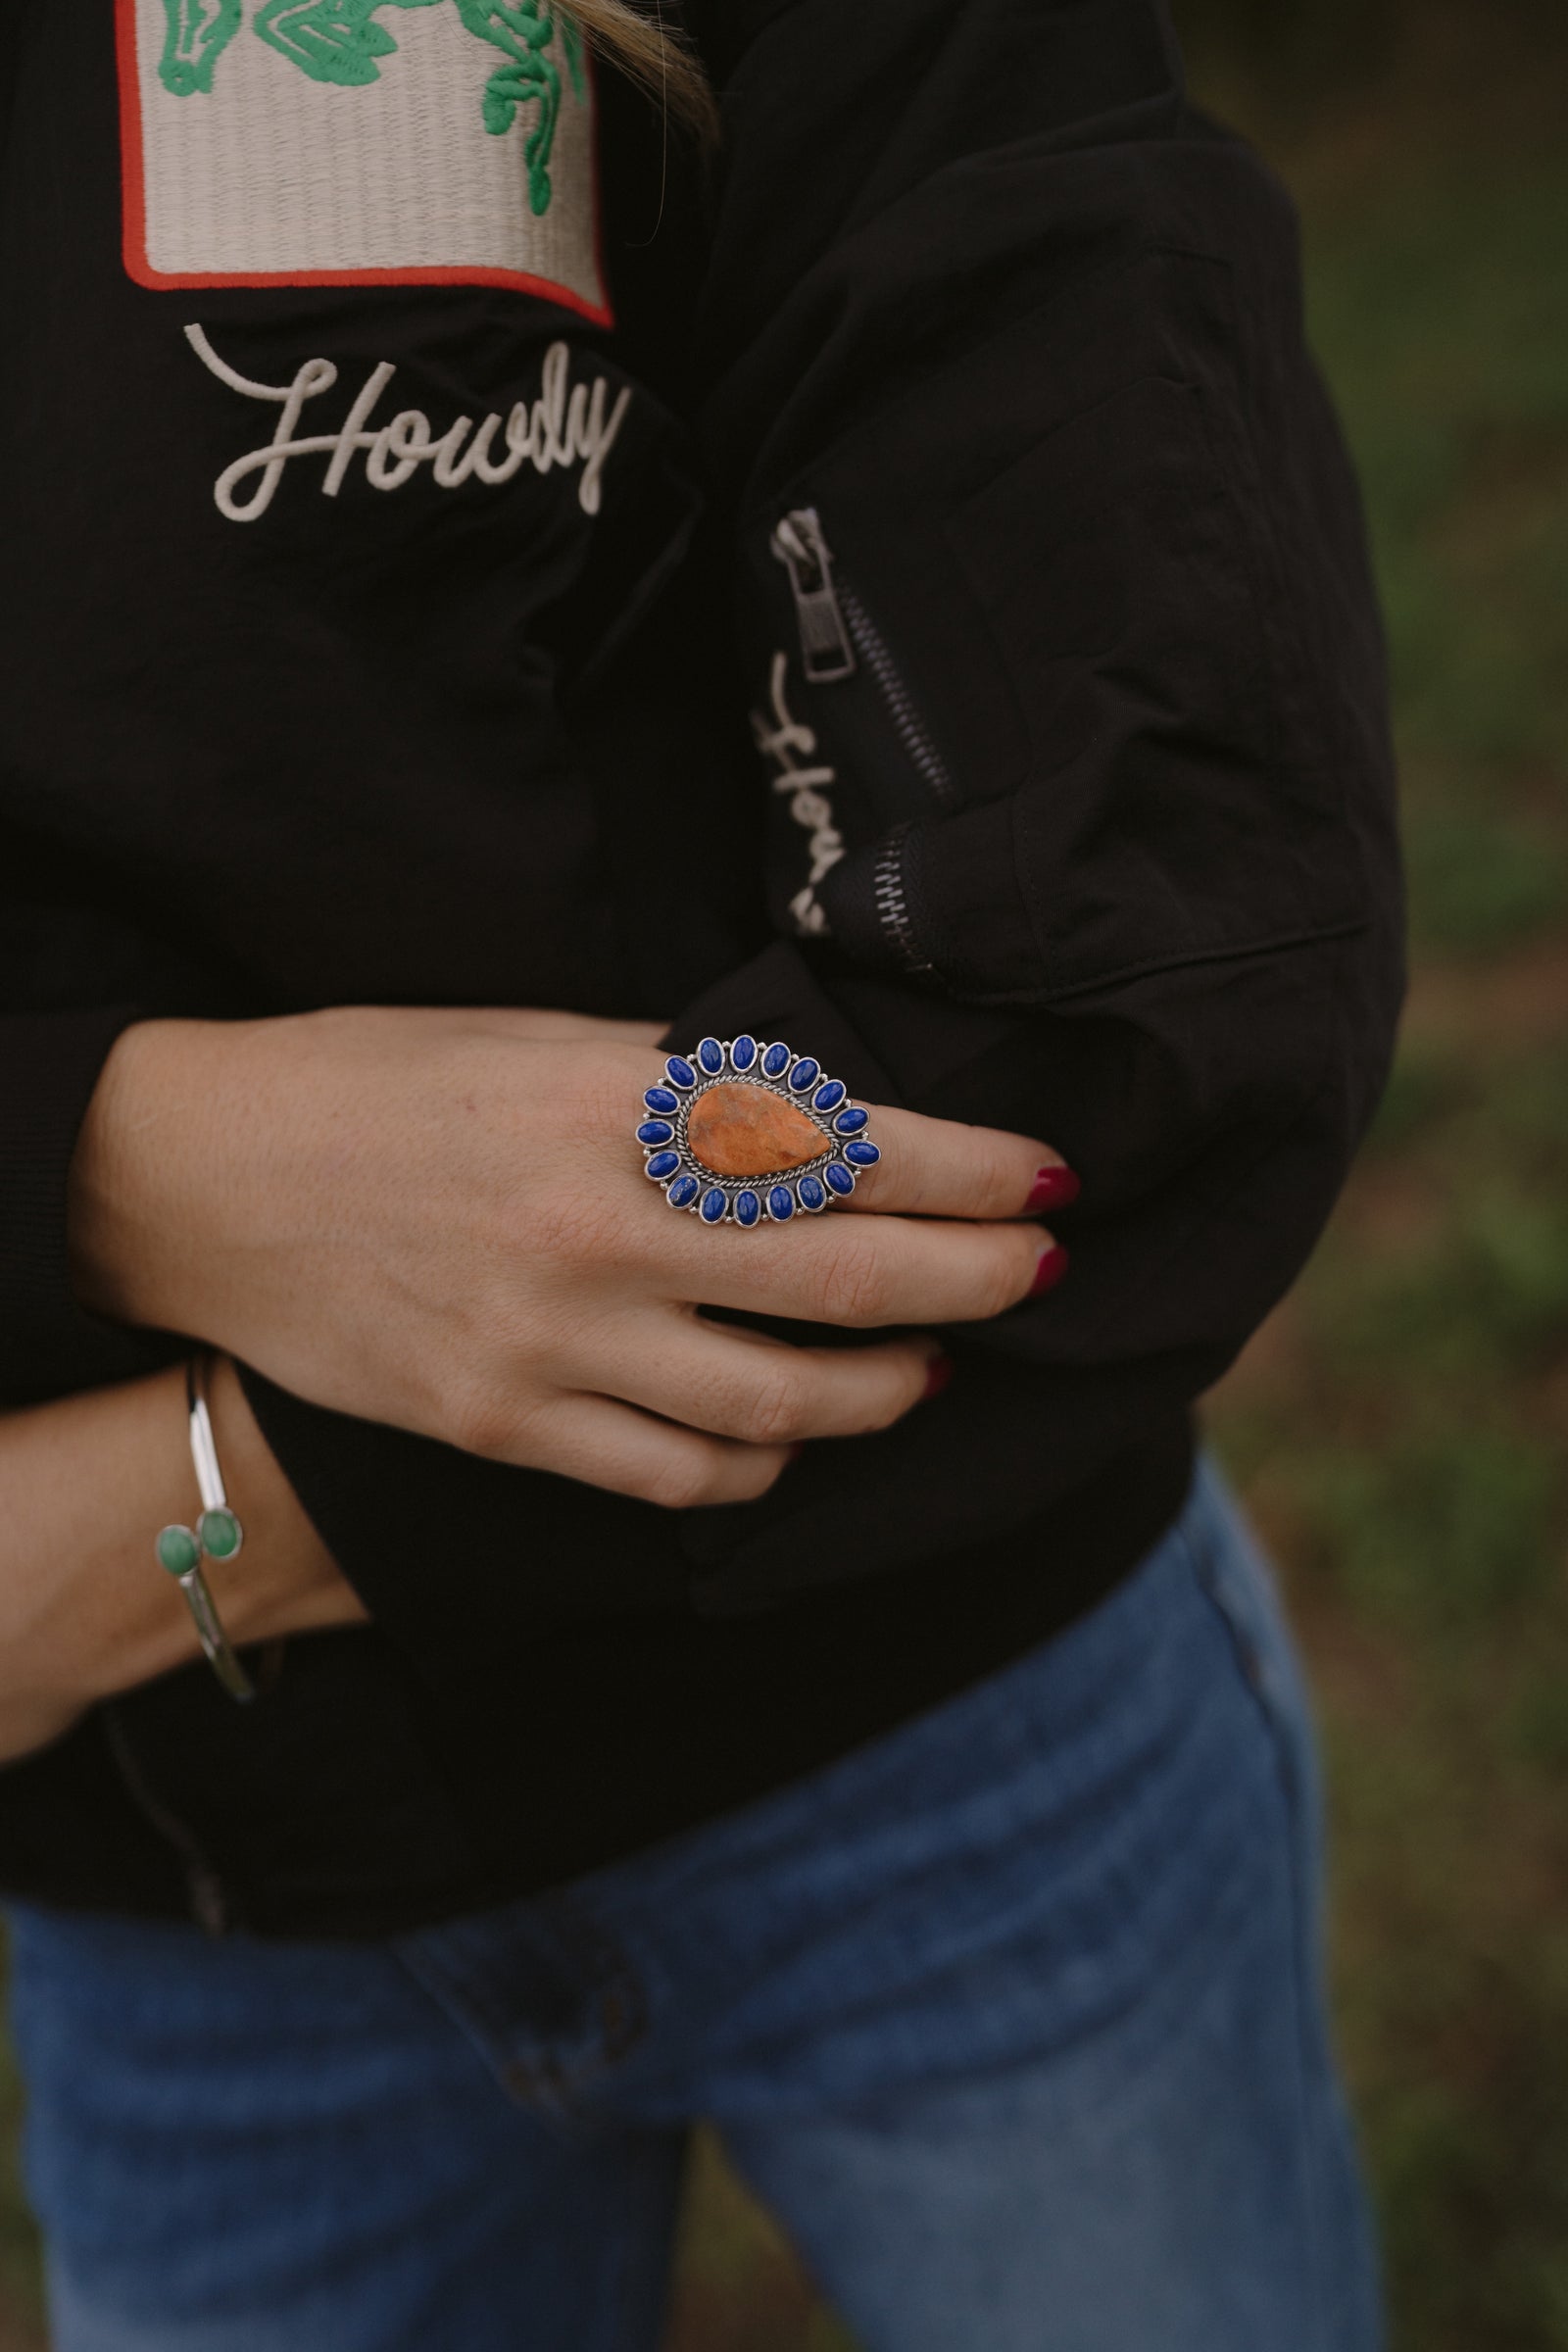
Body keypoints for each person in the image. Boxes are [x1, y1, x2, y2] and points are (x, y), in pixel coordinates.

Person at [0, 1, 1401, 2344]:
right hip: (202, 1938)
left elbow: (1128, 968)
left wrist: (137, 1537)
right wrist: (138, 1162)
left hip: (937, 1746)